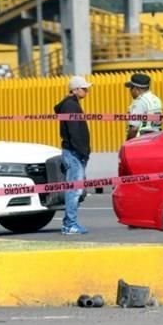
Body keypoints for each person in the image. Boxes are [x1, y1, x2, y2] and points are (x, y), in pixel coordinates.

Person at [54, 76, 92, 234]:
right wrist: (83, 152)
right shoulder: (70, 105)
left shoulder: (70, 104)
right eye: (84, 89)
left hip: (74, 152)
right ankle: (70, 224)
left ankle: (69, 223)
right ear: (75, 89)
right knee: (74, 190)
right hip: (74, 153)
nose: (87, 91)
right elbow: (74, 131)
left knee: (75, 189)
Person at [124, 73, 163, 141]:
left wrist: (128, 142)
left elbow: (134, 129)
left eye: (131, 88)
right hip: (154, 139)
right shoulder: (156, 100)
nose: (130, 91)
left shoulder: (140, 102)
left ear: (136, 89)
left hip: (140, 141)